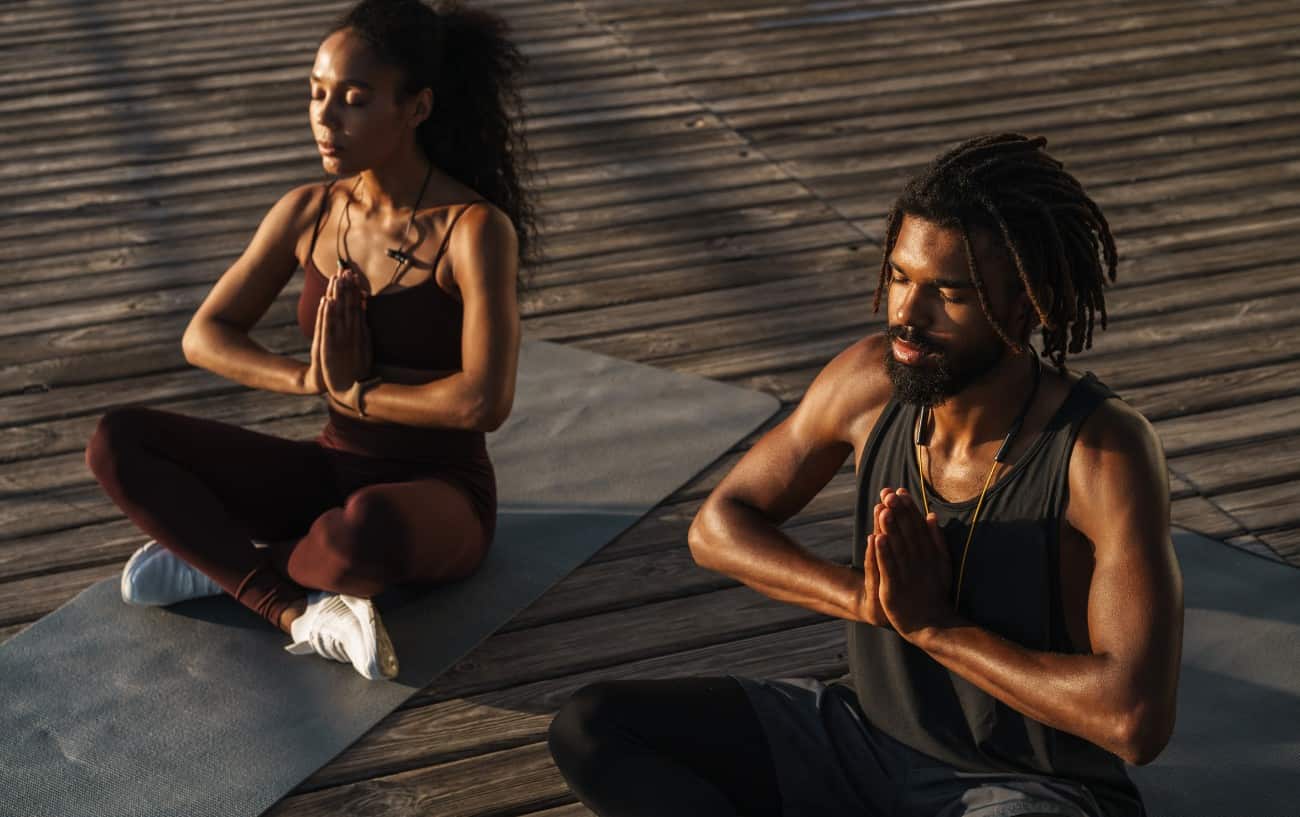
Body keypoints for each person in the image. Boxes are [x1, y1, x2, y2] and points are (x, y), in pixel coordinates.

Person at [547, 134, 1182, 817]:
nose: (908, 314)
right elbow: (717, 526)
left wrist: (935, 627)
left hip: (1027, 786)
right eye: (902, 277)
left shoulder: (1103, 451)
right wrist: (865, 600)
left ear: (1029, 304)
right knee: (594, 725)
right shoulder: (869, 382)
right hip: (862, 743)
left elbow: (1133, 719)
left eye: (949, 293)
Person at [85, 0, 536, 681]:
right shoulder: (309, 211)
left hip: (440, 493)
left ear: (416, 108)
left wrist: (360, 391)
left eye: (353, 100)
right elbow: (203, 335)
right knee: (117, 441)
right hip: (330, 469)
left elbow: (482, 403)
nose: (325, 118)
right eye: (317, 94)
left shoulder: (472, 231)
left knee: (364, 532)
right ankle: (296, 610)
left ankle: (222, 560)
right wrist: (309, 381)